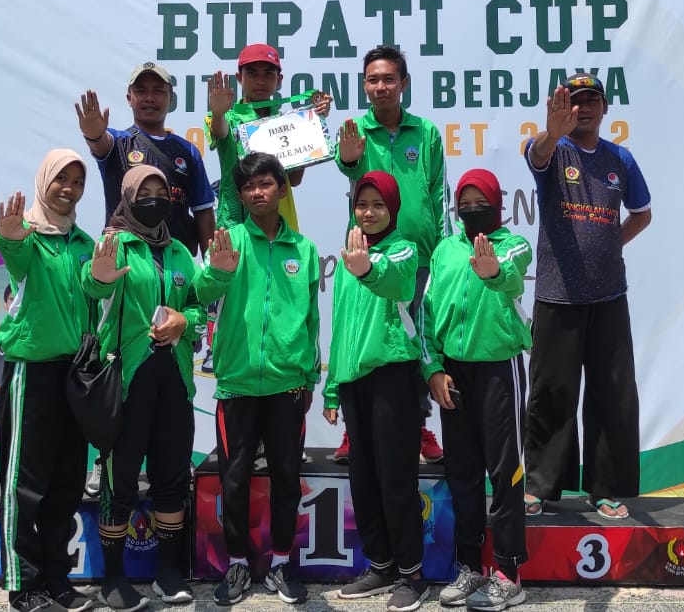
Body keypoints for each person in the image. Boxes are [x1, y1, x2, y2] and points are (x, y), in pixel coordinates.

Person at [522, 73, 651, 522]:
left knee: (612, 394)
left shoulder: (621, 159)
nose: (584, 108)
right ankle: (539, 487)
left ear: (605, 107)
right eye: (575, 102)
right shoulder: (553, 150)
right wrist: (550, 133)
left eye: (592, 100)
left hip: (609, 295)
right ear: (564, 109)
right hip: (558, 296)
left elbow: (642, 214)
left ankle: (607, 490)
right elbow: (536, 154)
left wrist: (610, 243)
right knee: (551, 394)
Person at [194, 152, 321, 606]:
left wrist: (308, 375)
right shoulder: (229, 243)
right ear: (242, 195)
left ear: (282, 190)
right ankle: (239, 566)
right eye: (248, 187)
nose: (257, 192)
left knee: (287, 478)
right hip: (238, 384)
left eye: (266, 184)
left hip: (288, 385)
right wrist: (218, 269)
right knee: (235, 481)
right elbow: (204, 295)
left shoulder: (303, 250)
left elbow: (311, 321)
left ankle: (283, 563)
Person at [81, 165, 205, 610]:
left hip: (174, 381)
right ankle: (113, 578)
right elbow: (92, 289)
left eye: (160, 190)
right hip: (126, 382)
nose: (153, 197)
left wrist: (184, 322)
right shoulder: (114, 243)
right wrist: (97, 276)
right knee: (120, 480)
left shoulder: (180, 253)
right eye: (143, 191)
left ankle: (168, 573)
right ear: (128, 196)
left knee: (172, 475)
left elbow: (198, 310)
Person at [0, 149, 97, 612]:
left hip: (73, 374)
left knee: (66, 482)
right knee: (25, 484)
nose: (69, 188)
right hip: (31, 372)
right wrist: (9, 237)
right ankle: (23, 585)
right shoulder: (30, 237)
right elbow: (13, 253)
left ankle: (57, 579)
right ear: (44, 182)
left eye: (77, 181)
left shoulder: (84, 244)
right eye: (61, 179)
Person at [423, 169, 533, 610]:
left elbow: (512, 275)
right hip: (454, 374)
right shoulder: (445, 251)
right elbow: (427, 313)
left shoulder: (514, 245)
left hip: (498, 370)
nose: (472, 209)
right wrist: (432, 367)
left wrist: (492, 272)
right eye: (464, 203)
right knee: (462, 474)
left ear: (496, 204)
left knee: (504, 474)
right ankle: (470, 567)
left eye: (479, 201)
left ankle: (508, 572)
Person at [334, 45, 447, 465]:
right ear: (364, 85)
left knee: (415, 342)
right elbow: (348, 168)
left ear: (404, 83)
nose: (380, 87)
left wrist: (442, 251)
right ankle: (352, 429)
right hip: (367, 256)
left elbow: (438, 191)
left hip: (417, 259)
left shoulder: (427, 132)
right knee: (362, 339)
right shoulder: (356, 130)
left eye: (388, 79)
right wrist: (348, 157)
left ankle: (418, 427)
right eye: (372, 80)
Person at [323, 172, 428, 612]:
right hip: (354, 380)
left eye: (377, 205)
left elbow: (398, 283)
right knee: (363, 479)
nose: (368, 213)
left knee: (396, 480)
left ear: (393, 209)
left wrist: (367, 268)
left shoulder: (402, 248)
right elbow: (341, 323)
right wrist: (332, 388)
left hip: (393, 377)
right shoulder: (350, 253)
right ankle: (381, 564)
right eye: (361, 204)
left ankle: (412, 574)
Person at [201, 43, 330, 375]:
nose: (260, 80)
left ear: (279, 79)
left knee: (280, 301)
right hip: (235, 224)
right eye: (252, 73)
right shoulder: (228, 114)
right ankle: (223, 356)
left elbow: (296, 178)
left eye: (268, 73)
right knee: (232, 300)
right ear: (239, 77)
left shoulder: (287, 118)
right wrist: (217, 112)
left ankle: (285, 365)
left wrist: (312, 124)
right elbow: (219, 132)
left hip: (279, 223)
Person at [75, 61, 215, 257]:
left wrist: (212, 264)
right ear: (129, 98)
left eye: (158, 91)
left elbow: (204, 212)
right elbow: (100, 143)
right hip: (127, 259)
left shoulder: (187, 151)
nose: (149, 98)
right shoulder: (118, 142)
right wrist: (93, 134)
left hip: (176, 265)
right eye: (141, 91)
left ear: (171, 99)